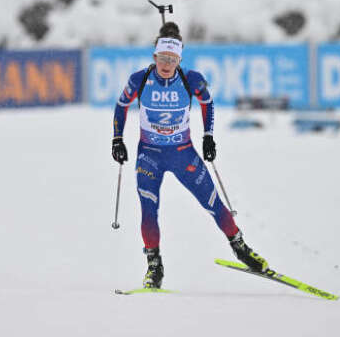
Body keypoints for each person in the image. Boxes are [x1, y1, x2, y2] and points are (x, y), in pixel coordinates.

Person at [111, 22, 269, 289]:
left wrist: (208, 135)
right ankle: (154, 266)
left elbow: (207, 102)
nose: (166, 63)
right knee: (149, 210)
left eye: (172, 59)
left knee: (213, 203)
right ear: (154, 56)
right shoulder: (140, 79)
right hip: (149, 155)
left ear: (179, 59)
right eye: (162, 57)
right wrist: (117, 139)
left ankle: (241, 248)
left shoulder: (191, 79)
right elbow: (121, 104)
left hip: (183, 154)